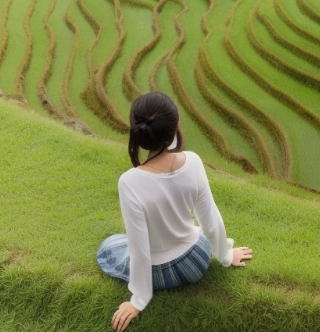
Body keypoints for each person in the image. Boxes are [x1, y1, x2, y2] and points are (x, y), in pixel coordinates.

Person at [96, 92, 253, 332]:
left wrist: (137, 300)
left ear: (137, 132)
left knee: (109, 247)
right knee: (192, 229)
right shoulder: (193, 162)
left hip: (160, 274)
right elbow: (210, 220)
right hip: (197, 259)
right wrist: (225, 255)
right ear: (176, 126)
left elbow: (139, 248)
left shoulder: (129, 181)